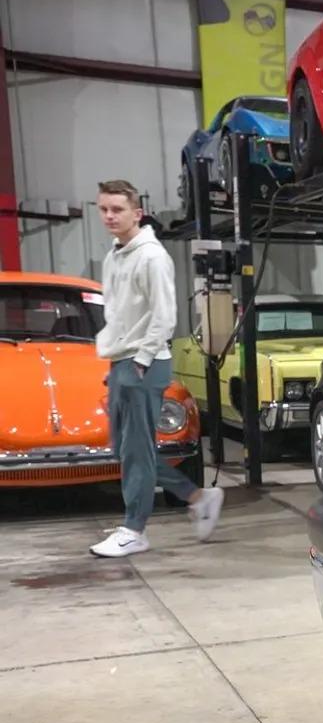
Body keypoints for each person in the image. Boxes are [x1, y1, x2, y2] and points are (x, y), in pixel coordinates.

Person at [90, 179, 222, 557]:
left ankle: (134, 529)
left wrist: (140, 361)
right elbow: (120, 315)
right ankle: (197, 496)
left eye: (117, 209)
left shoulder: (151, 256)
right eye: (104, 209)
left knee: (135, 451)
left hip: (143, 363)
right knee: (126, 449)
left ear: (137, 212)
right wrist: (117, 361)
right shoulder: (115, 256)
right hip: (123, 360)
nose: (110, 216)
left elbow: (164, 316)